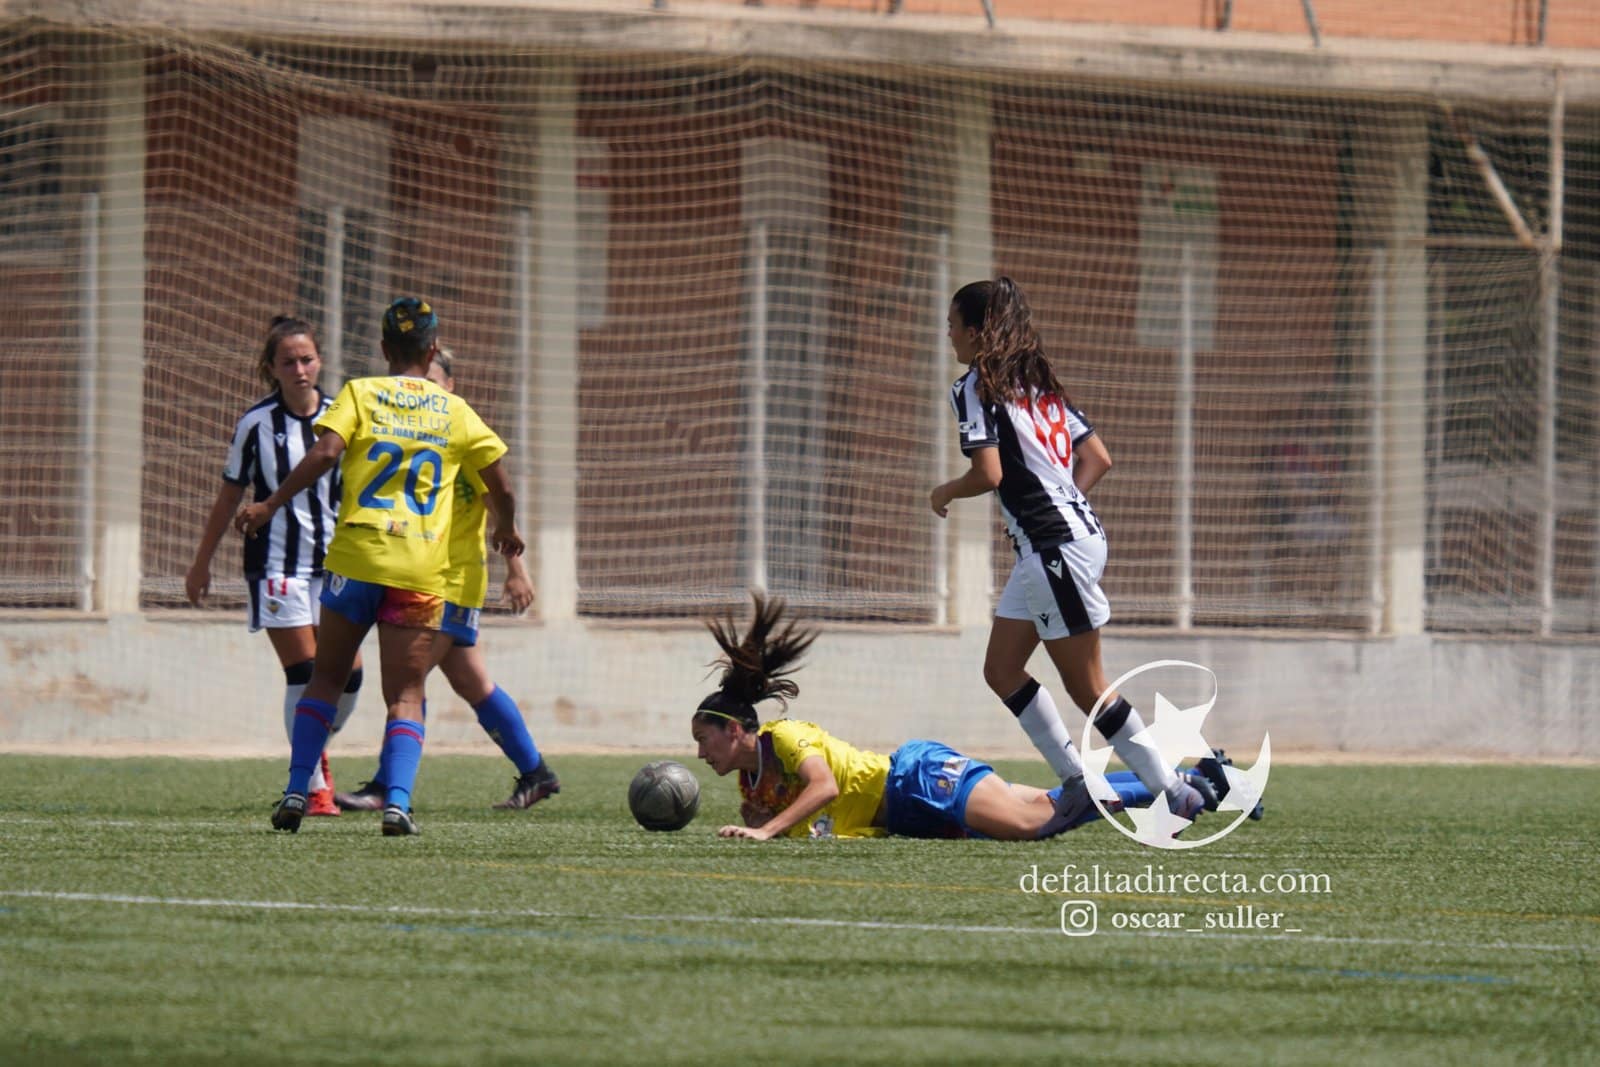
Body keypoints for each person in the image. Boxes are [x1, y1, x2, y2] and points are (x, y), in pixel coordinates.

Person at [236, 298, 524, 836]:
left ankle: (297, 790)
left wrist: (271, 504)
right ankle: (397, 804)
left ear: (385, 348)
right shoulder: (455, 411)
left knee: (325, 679)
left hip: (356, 558)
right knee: (406, 695)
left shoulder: (360, 393)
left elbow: (325, 453)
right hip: (419, 568)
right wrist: (506, 529)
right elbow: (501, 487)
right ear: (432, 350)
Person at [929, 277, 1206, 826]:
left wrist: (945, 491)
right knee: (1002, 669)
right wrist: (1061, 506)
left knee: (1088, 687)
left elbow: (989, 473)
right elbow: (1098, 457)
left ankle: (1174, 792)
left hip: (1054, 549)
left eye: (953, 324)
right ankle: (1080, 783)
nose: (949, 335)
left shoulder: (974, 387)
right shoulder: (1039, 385)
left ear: (978, 332)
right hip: (1059, 544)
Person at [691, 594, 1215, 842]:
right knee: (1045, 803)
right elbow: (812, 826)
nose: (698, 753)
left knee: (1030, 827)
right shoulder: (751, 783)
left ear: (735, 730)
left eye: (703, 739)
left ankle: (1177, 787)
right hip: (907, 818)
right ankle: (1183, 780)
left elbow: (824, 787)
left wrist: (767, 831)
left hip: (912, 778)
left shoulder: (783, 737)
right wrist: (759, 824)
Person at [336, 347, 559, 813]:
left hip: (453, 579)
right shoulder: (417, 435)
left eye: (435, 383)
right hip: (429, 576)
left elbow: (498, 502)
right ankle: (536, 772)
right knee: (469, 681)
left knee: (409, 681)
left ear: (450, 386)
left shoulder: (457, 431)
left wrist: (517, 569)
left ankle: (386, 786)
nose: (425, 393)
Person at [185, 316, 363, 817]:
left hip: (335, 564)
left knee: (349, 677)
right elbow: (230, 495)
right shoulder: (256, 424)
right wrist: (201, 562)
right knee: (304, 673)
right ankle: (312, 787)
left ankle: (312, 750)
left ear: (320, 361)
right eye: (288, 362)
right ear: (271, 368)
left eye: (307, 359)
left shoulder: (342, 417)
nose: (300, 370)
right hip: (275, 563)